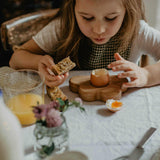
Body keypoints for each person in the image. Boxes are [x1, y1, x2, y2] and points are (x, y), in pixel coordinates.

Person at [9, 0, 160, 89]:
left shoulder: (137, 32)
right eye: (87, 18)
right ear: (73, 8)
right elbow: (16, 59)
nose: (99, 30)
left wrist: (147, 75)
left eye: (111, 18)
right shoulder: (61, 29)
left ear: (127, 9)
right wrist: (38, 63)